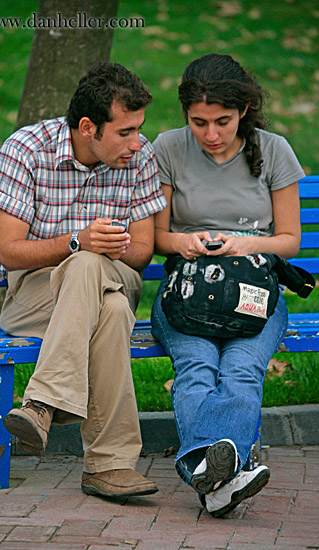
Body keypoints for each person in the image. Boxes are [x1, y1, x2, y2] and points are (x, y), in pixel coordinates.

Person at [0, 61, 167, 498]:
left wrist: (105, 247)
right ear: (88, 127)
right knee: (113, 308)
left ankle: (42, 403)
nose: (137, 143)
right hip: (35, 294)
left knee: (92, 271)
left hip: (117, 274)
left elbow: (142, 252)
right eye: (125, 132)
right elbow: (8, 252)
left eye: (139, 129)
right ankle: (110, 466)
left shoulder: (141, 158)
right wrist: (77, 242)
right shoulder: (26, 149)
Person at [151, 53, 305, 517]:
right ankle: (224, 478)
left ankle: (206, 471)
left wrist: (240, 243)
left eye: (222, 121)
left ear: (243, 111)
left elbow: (290, 240)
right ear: (185, 116)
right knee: (196, 366)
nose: (211, 135)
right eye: (198, 122)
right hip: (187, 291)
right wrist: (186, 240)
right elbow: (156, 238)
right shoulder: (167, 148)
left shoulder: (274, 149)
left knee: (240, 369)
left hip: (255, 292)